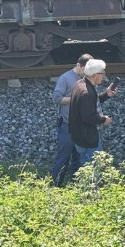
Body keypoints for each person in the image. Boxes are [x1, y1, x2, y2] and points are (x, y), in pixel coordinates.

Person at [51, 53, 92, 186]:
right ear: (78, 65)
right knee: (64, 156)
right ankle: (55, 184)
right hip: (67, 125)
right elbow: (57, 99)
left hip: (80, 125)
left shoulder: (86, 78)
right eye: (85, 70)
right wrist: (76, 100)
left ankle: (76, 183)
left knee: (78, 157)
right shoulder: (66, 78)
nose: (88, 73)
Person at [68, 59, 115, 167]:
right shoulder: (86, 93)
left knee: (85, 165)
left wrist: (106, 95)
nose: (104, 75)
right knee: (93, 167)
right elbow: (88, 116)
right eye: (102, 73)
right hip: (87, 137)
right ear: (94, 75)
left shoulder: (81, 84)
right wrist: (104, 120)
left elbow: (89, 104)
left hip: (79, 135)